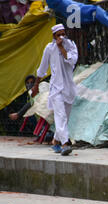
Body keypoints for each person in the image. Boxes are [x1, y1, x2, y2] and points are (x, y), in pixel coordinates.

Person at [32, 23, 78, 156]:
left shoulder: (71, 45)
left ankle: (56, 140)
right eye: (59, 35)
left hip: (68, 88)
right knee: (61, 116)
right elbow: (42, 69)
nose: (61, 37)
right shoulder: (49, 48)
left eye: (63, 34)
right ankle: (65, 144)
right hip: (56, 88)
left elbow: (72, 60)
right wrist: (36, 86)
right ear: (54, 36)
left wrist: (62, 47)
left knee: (66, 117)